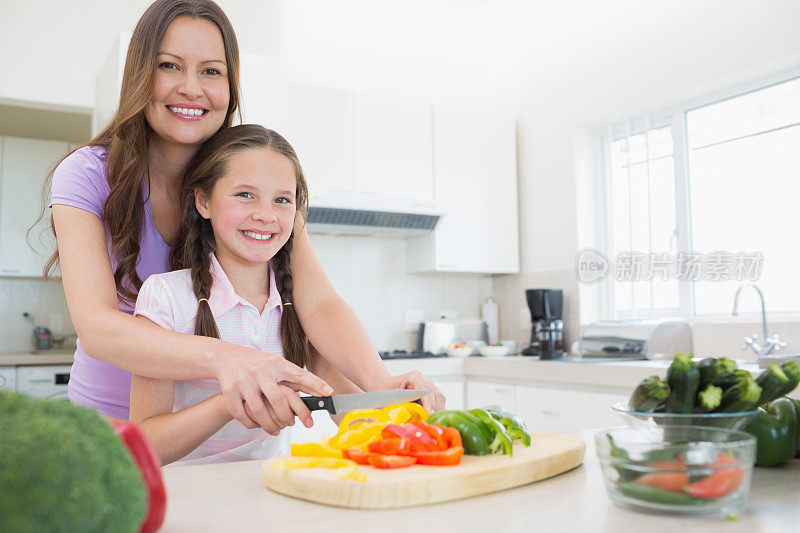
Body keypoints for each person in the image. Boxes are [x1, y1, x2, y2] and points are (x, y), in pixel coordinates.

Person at [46, 0, 444, 436]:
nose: (191, 88)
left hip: (209, 444)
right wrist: (226, 357)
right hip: (108, 429)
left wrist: (381, 384)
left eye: (212, 71)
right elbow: (97, 326)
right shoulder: (87, 174)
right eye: (170, 66)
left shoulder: (253, 179)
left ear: (232, 86)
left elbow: (318, 303)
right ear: (141, 73)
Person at [132, 124, 321, 465]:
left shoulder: (301, 305)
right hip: (185, 500)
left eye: (282, 200)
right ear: (203, 201)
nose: (265, 215)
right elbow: (145, 446)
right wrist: (229, 402)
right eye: (245, 194)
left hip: (268, 494)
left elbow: (352, 409)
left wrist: (398, 399)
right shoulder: (166, 297)